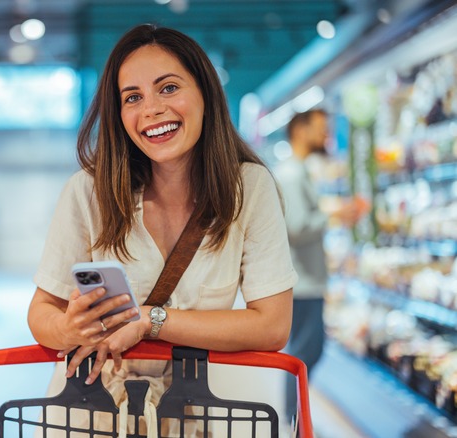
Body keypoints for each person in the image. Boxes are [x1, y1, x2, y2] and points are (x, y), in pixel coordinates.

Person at [27, 23, 298, 435]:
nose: (150, 109)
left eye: (168, 88)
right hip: (94, 415)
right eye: (132, 97)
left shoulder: (250, 188)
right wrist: (67, 328)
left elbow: (272, 325)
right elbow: (41, 310)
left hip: (204, 413)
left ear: (205, 92)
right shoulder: (88, 190)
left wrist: (151, 320)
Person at [274, 109, 358, 422]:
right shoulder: (293, 174)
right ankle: (292, 420)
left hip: (305, 278)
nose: (326, 135)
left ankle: (293, 417)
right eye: (321, 129)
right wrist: (334, 215)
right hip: (303, 281)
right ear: (299, 130)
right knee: (304, 354)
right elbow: (296, 226)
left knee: (306, 351)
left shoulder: (297, 172)